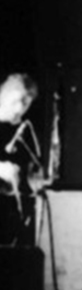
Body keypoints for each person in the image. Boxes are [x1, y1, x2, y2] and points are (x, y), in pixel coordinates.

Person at [0, 72, 40, 245]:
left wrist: (32, 181)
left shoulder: (18, 131)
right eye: (18, 101)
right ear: (4, 95)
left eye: (26, 104)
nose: (20, 110)